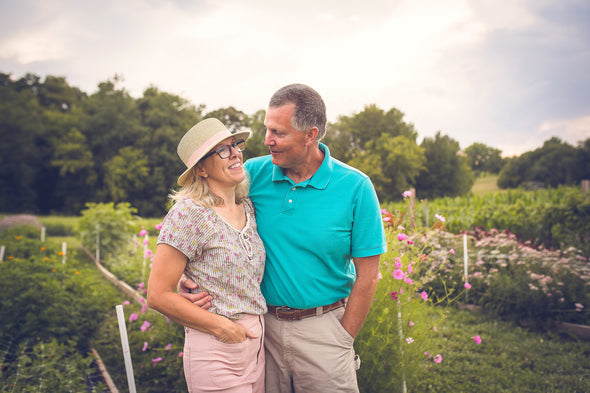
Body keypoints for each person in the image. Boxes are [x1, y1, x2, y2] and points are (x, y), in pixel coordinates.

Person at [182, 84, 387, 393]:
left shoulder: (355, 187)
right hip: (263, 331)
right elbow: (206, 219)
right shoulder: (253, 174)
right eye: (267, 129)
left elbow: (368, 276)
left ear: (310, 135)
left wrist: (343, 337)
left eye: (278, 133)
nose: (267, 141)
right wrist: (186, 275)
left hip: (324, 330)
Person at [147, 118, 267, 393]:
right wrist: (222, 328)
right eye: (222, 150)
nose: (235, 153)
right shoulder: (188, 214)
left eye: (235, 145)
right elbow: (157, 294)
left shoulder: (247, 207)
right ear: (201, 168)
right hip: (217, 350)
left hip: (258, 349)